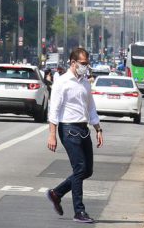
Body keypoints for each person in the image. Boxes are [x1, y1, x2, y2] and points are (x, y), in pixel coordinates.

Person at [45, 48, 103, 224]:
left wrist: (98, 129)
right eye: (83, 64)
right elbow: (54, 109)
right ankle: (79, 211)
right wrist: (52, 135)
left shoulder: (85, 82)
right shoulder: (62, 82)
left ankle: (56, 193)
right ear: (73, 62)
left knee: (87, 170)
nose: (86, 67)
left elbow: (91, 107)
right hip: (68, 129)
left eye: (87, 63)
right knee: (79, 168)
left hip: (83, 128)